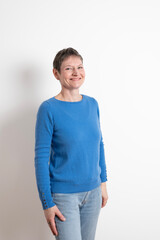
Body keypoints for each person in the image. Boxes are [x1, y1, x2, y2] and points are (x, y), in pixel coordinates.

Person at [34, 47, 109, 240]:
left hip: (93, 193)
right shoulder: (49, 109)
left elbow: (98, 144)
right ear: (56, 73)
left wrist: (103, 183)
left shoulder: (92, 104)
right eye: (68, 68)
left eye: (80, 67)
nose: (76, 73)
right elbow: (41, 159)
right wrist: (47, 203)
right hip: (63, 196)